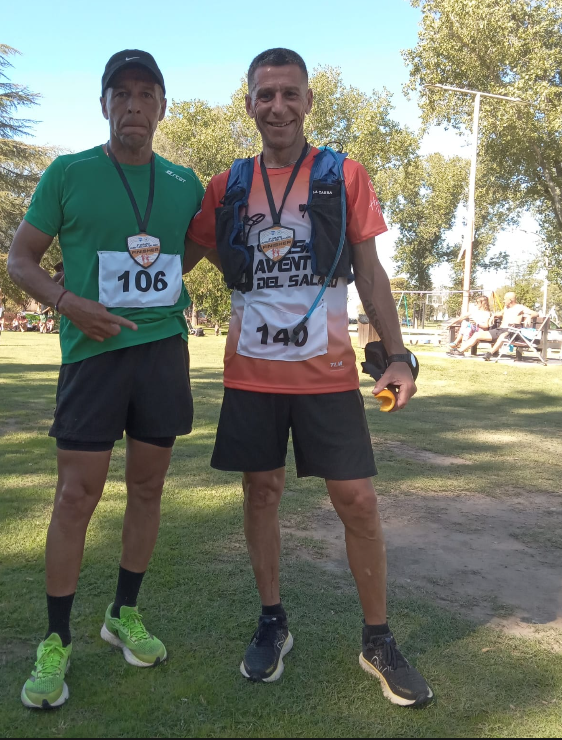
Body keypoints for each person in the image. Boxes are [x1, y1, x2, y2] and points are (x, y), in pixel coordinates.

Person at [184, 48, 432, 706]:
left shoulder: (342, 174)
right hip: (252, 376)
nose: (277, 107)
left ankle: (377, 638)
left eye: (289, 94)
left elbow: (370, 272)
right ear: (249, 105)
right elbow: (185, 254)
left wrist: (397, 355)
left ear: (307, 102)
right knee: (259, 493)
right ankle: (273, 621)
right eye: (265, 95)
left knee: (358, 501)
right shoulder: (226, 186)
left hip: (328, 374)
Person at [7, 50, 204, 709]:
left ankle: (123, 612)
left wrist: (163, 283)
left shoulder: (183, 183)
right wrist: (70, 304)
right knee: (75, 496)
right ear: (103, 106)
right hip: (91, 355)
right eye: (121, 94)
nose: (133, 105)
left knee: (147, 488)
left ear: (161, 107)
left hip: (162, 354)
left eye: (146, 94)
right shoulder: (69, 173)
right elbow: (21, 259)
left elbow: (192, 248)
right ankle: (55, 638)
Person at [459, 292, 537, 360]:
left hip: (512, 330)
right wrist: (493, 316)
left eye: (505, 299)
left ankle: (489, 353)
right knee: (477, 334)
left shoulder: (520, 307)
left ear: (510, 300)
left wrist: (529, 317)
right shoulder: (506, 308)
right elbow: (500, 313)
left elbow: (535, 313)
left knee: (502, 336)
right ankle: (460, 351)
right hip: (500, 329)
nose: (503, 301)